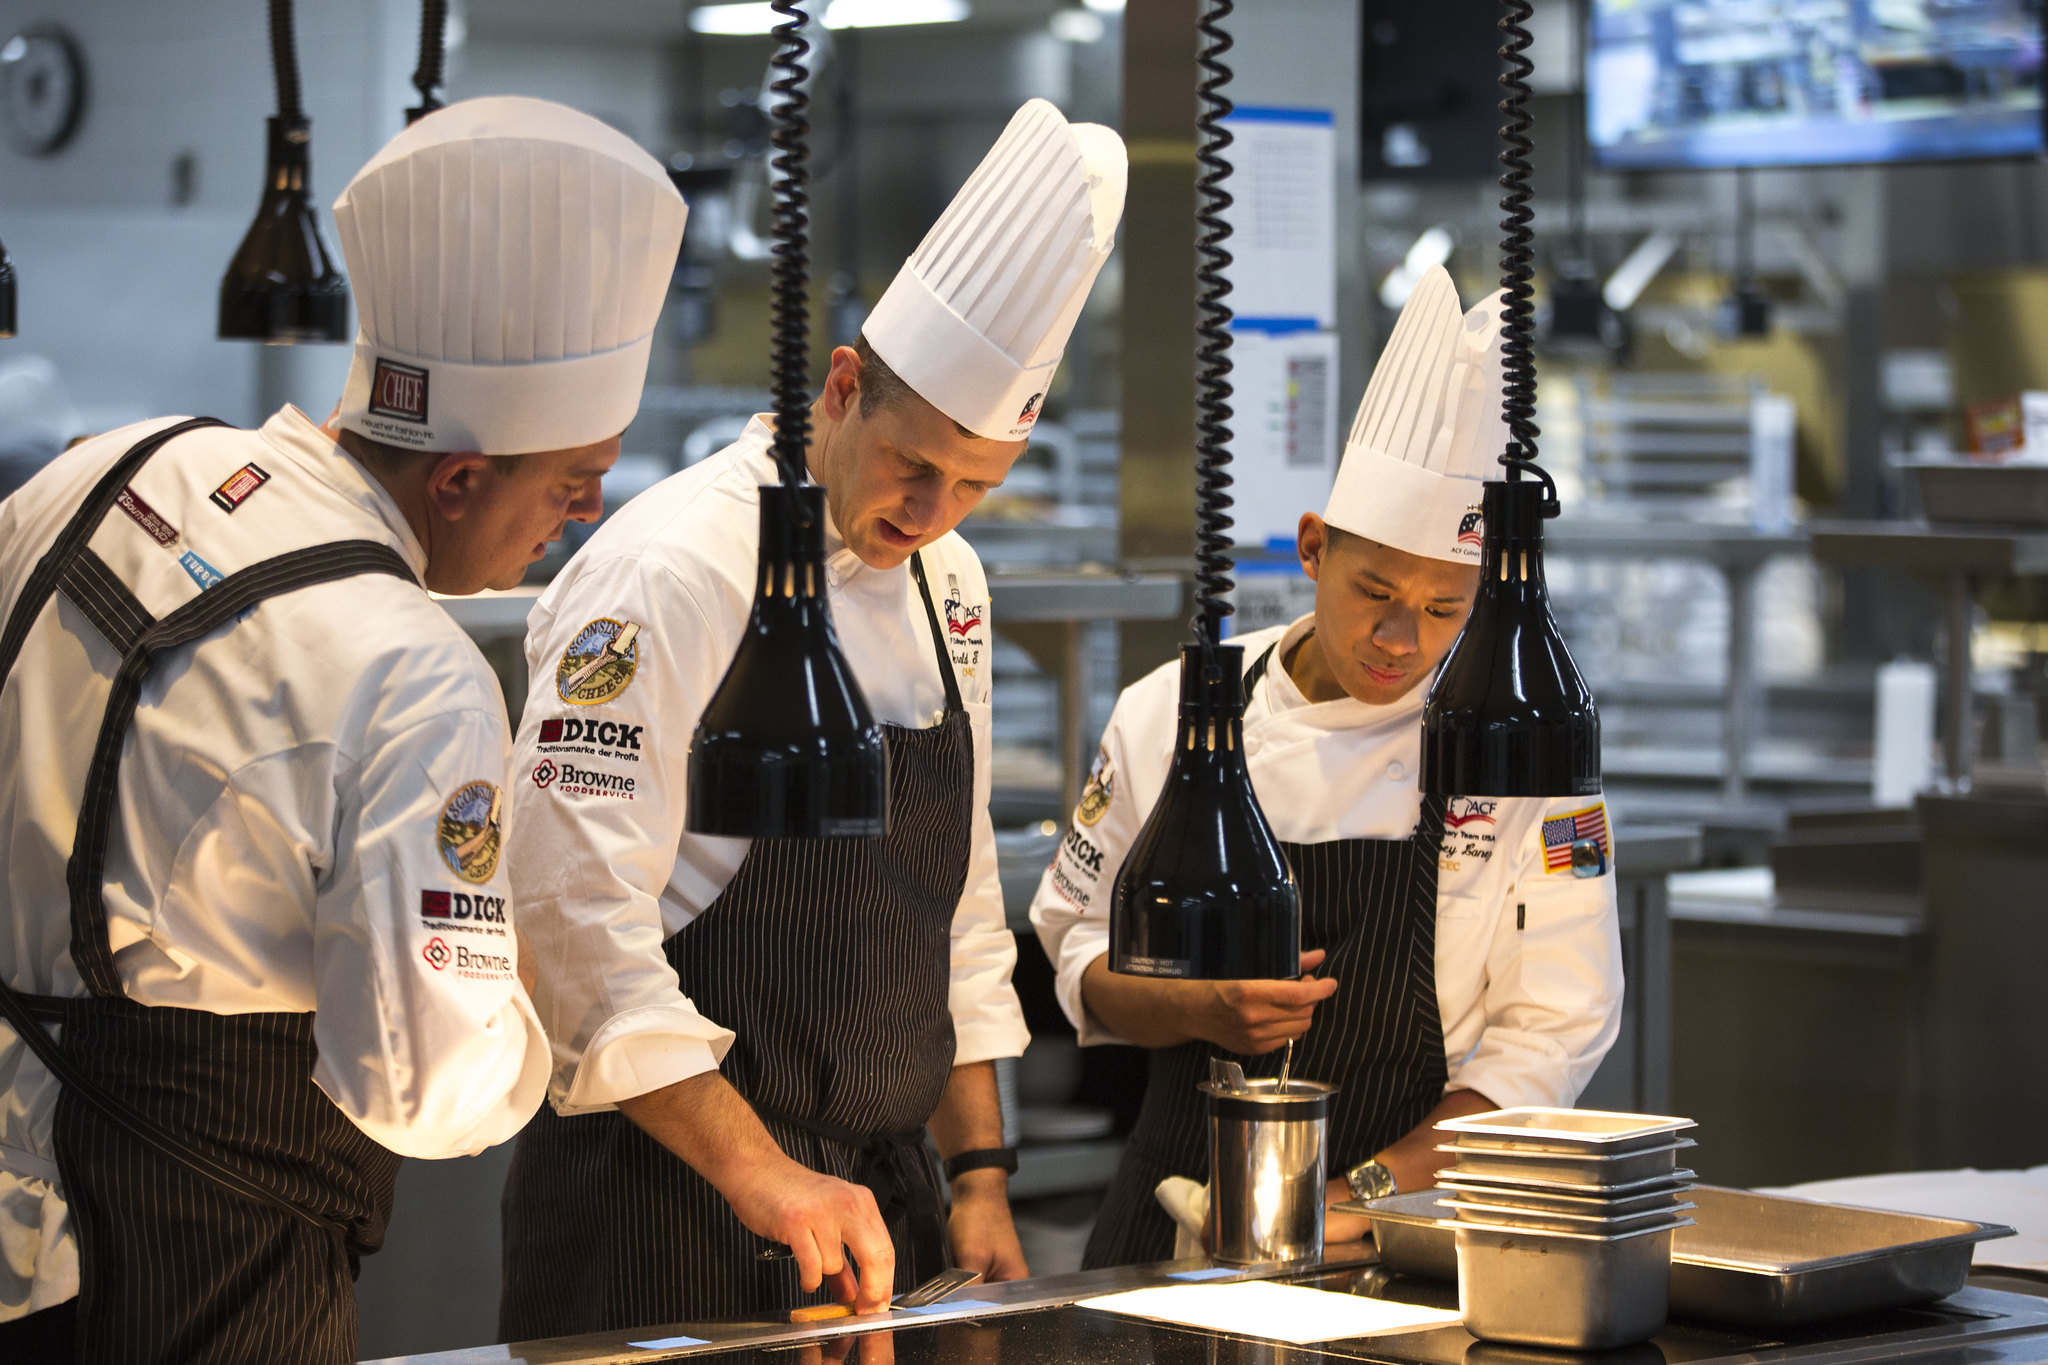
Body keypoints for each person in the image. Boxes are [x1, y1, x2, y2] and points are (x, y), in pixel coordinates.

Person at [0, 96, 687, 1362]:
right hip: (205, 1271)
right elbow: (421, 1093)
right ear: (461, 478)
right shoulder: (412, 669)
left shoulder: (104, 470)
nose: (585, 517)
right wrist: (516, 995)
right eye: (571, 481)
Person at [498, 98, 1126, 1336]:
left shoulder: (950, 583)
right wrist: (760, 1173)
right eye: (915, 467)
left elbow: (950, 910)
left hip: (873, 1200)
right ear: (841, 388)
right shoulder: (672, 570)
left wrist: (979, 1175)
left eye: (976, 489)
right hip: (663, 1196)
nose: (933, 512)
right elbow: (566, 915)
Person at [1029, 266, 1625, 1268]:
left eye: (1446, 610)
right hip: (1177, 1211)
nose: (1401, 638)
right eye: (1375, 591)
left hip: (1402, 1221)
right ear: (1312, 548)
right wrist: (1199, 1007)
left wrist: (1356, 1193)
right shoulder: (1166, 713)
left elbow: (1549, 1037)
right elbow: (1077, 954)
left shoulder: (1514, 748)